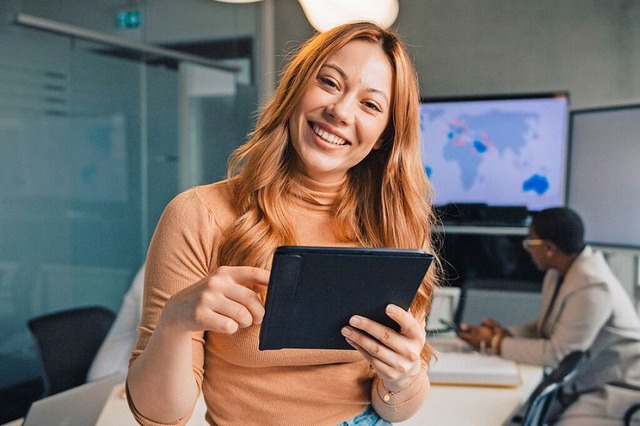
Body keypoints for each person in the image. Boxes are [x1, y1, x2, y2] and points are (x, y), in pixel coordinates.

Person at [126, 21, 439, 426]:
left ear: (383, 136)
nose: (340, 111)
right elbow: (159, 417)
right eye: (329, 82)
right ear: (295, 91)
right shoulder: (199, 214)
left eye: (371, 105)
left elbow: (394, 408)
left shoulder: (394, 225)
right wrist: (174, 323)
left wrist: (406, 374)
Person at [457, 207, 640, 425]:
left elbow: (557, 354)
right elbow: (546, 327)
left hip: (618, 386)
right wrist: (504, 333)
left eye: (530, 242)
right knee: (520, 413)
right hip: (585, 379)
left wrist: (495, 342)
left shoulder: (593, 287)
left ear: (550, 248)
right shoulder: (557, 273)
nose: (527, 249)